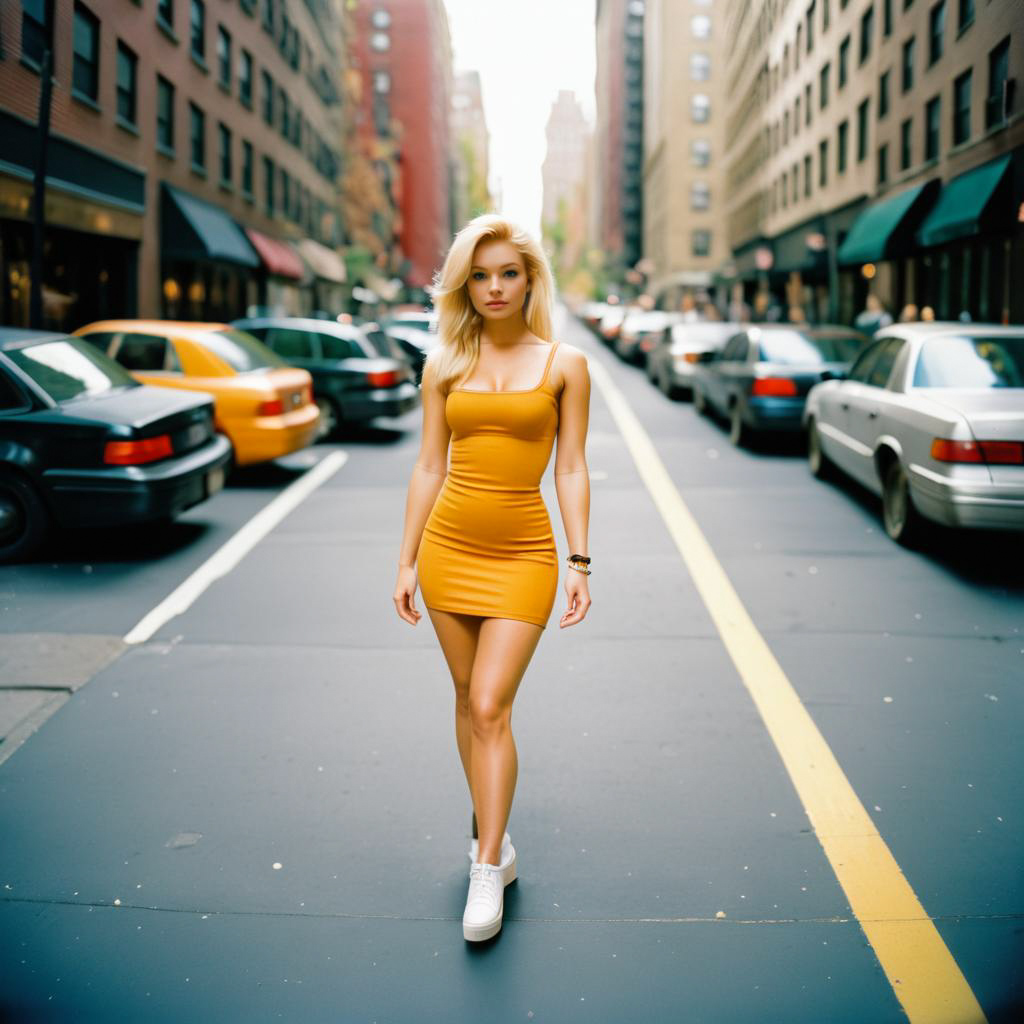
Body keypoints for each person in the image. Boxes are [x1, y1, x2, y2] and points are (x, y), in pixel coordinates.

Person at [393, 213, 593, 943]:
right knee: (464, 698)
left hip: (524, 557)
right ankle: (493, 832)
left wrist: (579, 559)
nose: (494, 287)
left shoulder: (563, 364)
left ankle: (487, 863)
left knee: (488, 703)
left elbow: (570, 465)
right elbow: (428, 465)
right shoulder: (444, 362)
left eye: (508, 272)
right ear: (462, 284)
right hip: (449, 548)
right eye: (479, 275)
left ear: (530, 279)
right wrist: (407, 559)